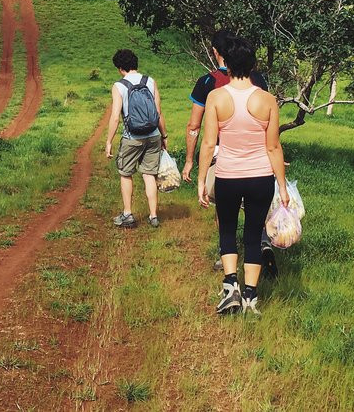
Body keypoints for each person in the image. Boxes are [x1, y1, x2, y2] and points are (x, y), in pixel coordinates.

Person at [198, 36, 289, 315]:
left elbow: (208, 142)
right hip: (260, 178)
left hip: (227, 175)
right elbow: (273, 146)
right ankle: (251, 297)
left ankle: (230, 289)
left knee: (227, 230)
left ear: (225, 63)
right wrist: (282, 187)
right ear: (253, 65)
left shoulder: (216, 97)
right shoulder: (267, 100)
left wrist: (202, 180)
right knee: (252, 234)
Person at [183, 29, 277, 276]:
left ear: (217, 53)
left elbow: (195, 127)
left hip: (223, 157)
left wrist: (191, 163)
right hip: (259, 159)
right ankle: (261, 244)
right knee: (255, 214)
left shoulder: (208, 84)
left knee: (225, 216)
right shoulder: (258, 81)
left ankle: (227, 262)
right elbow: (270, 134)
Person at [105, 49, 168, 228]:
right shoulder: (150, 81)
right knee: (149, 174)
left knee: (126, 174)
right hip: (154, 135)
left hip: (132, 137)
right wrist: (164, 135)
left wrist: (109, 141)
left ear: (120, 68)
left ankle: (128, 214)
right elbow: (158, 113)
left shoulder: (119, 86)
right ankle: (154, 216)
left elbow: (115, 117)